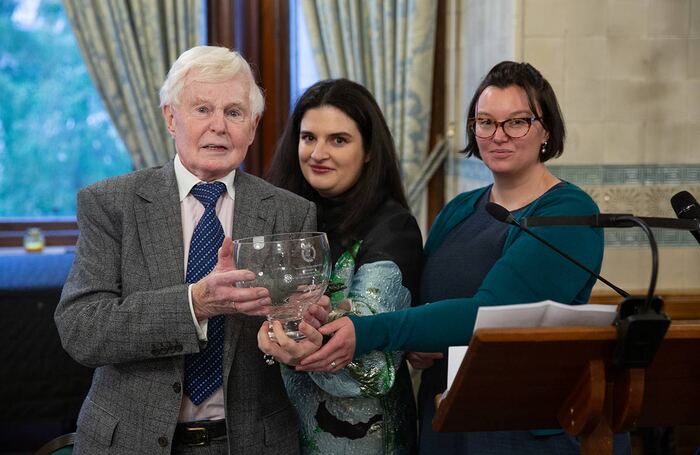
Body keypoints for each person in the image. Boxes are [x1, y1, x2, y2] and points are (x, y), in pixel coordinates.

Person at [294, 62, 631, 454]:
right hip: (447, 421)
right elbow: (422, 306)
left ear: (547, 130)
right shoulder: (459, 210)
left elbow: (490, 314)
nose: (498, 135)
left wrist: (366, 332)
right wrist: (415, 342)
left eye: (517, 122)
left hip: (522, 428)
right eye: (485, 121)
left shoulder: (569, 212)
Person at [54, 46, 326, 454]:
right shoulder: (112, 204)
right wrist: (195, 303)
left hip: (251, 442)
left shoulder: (290, 213)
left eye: (234, 113)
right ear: (170, 117)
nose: (219, 126)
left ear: (252, 127)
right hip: (129, 441)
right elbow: (81, 330)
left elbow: (294, 329)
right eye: (202, 109)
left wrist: (301, 336)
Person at [258, 78, 423, 454]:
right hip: (277, 433)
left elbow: (373, 362)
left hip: (360, 438)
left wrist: (305, 328)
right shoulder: (278, 217)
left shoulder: (393, 228)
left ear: (368, 151)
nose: (318, 153)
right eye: (308, 137)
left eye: (338, 140)